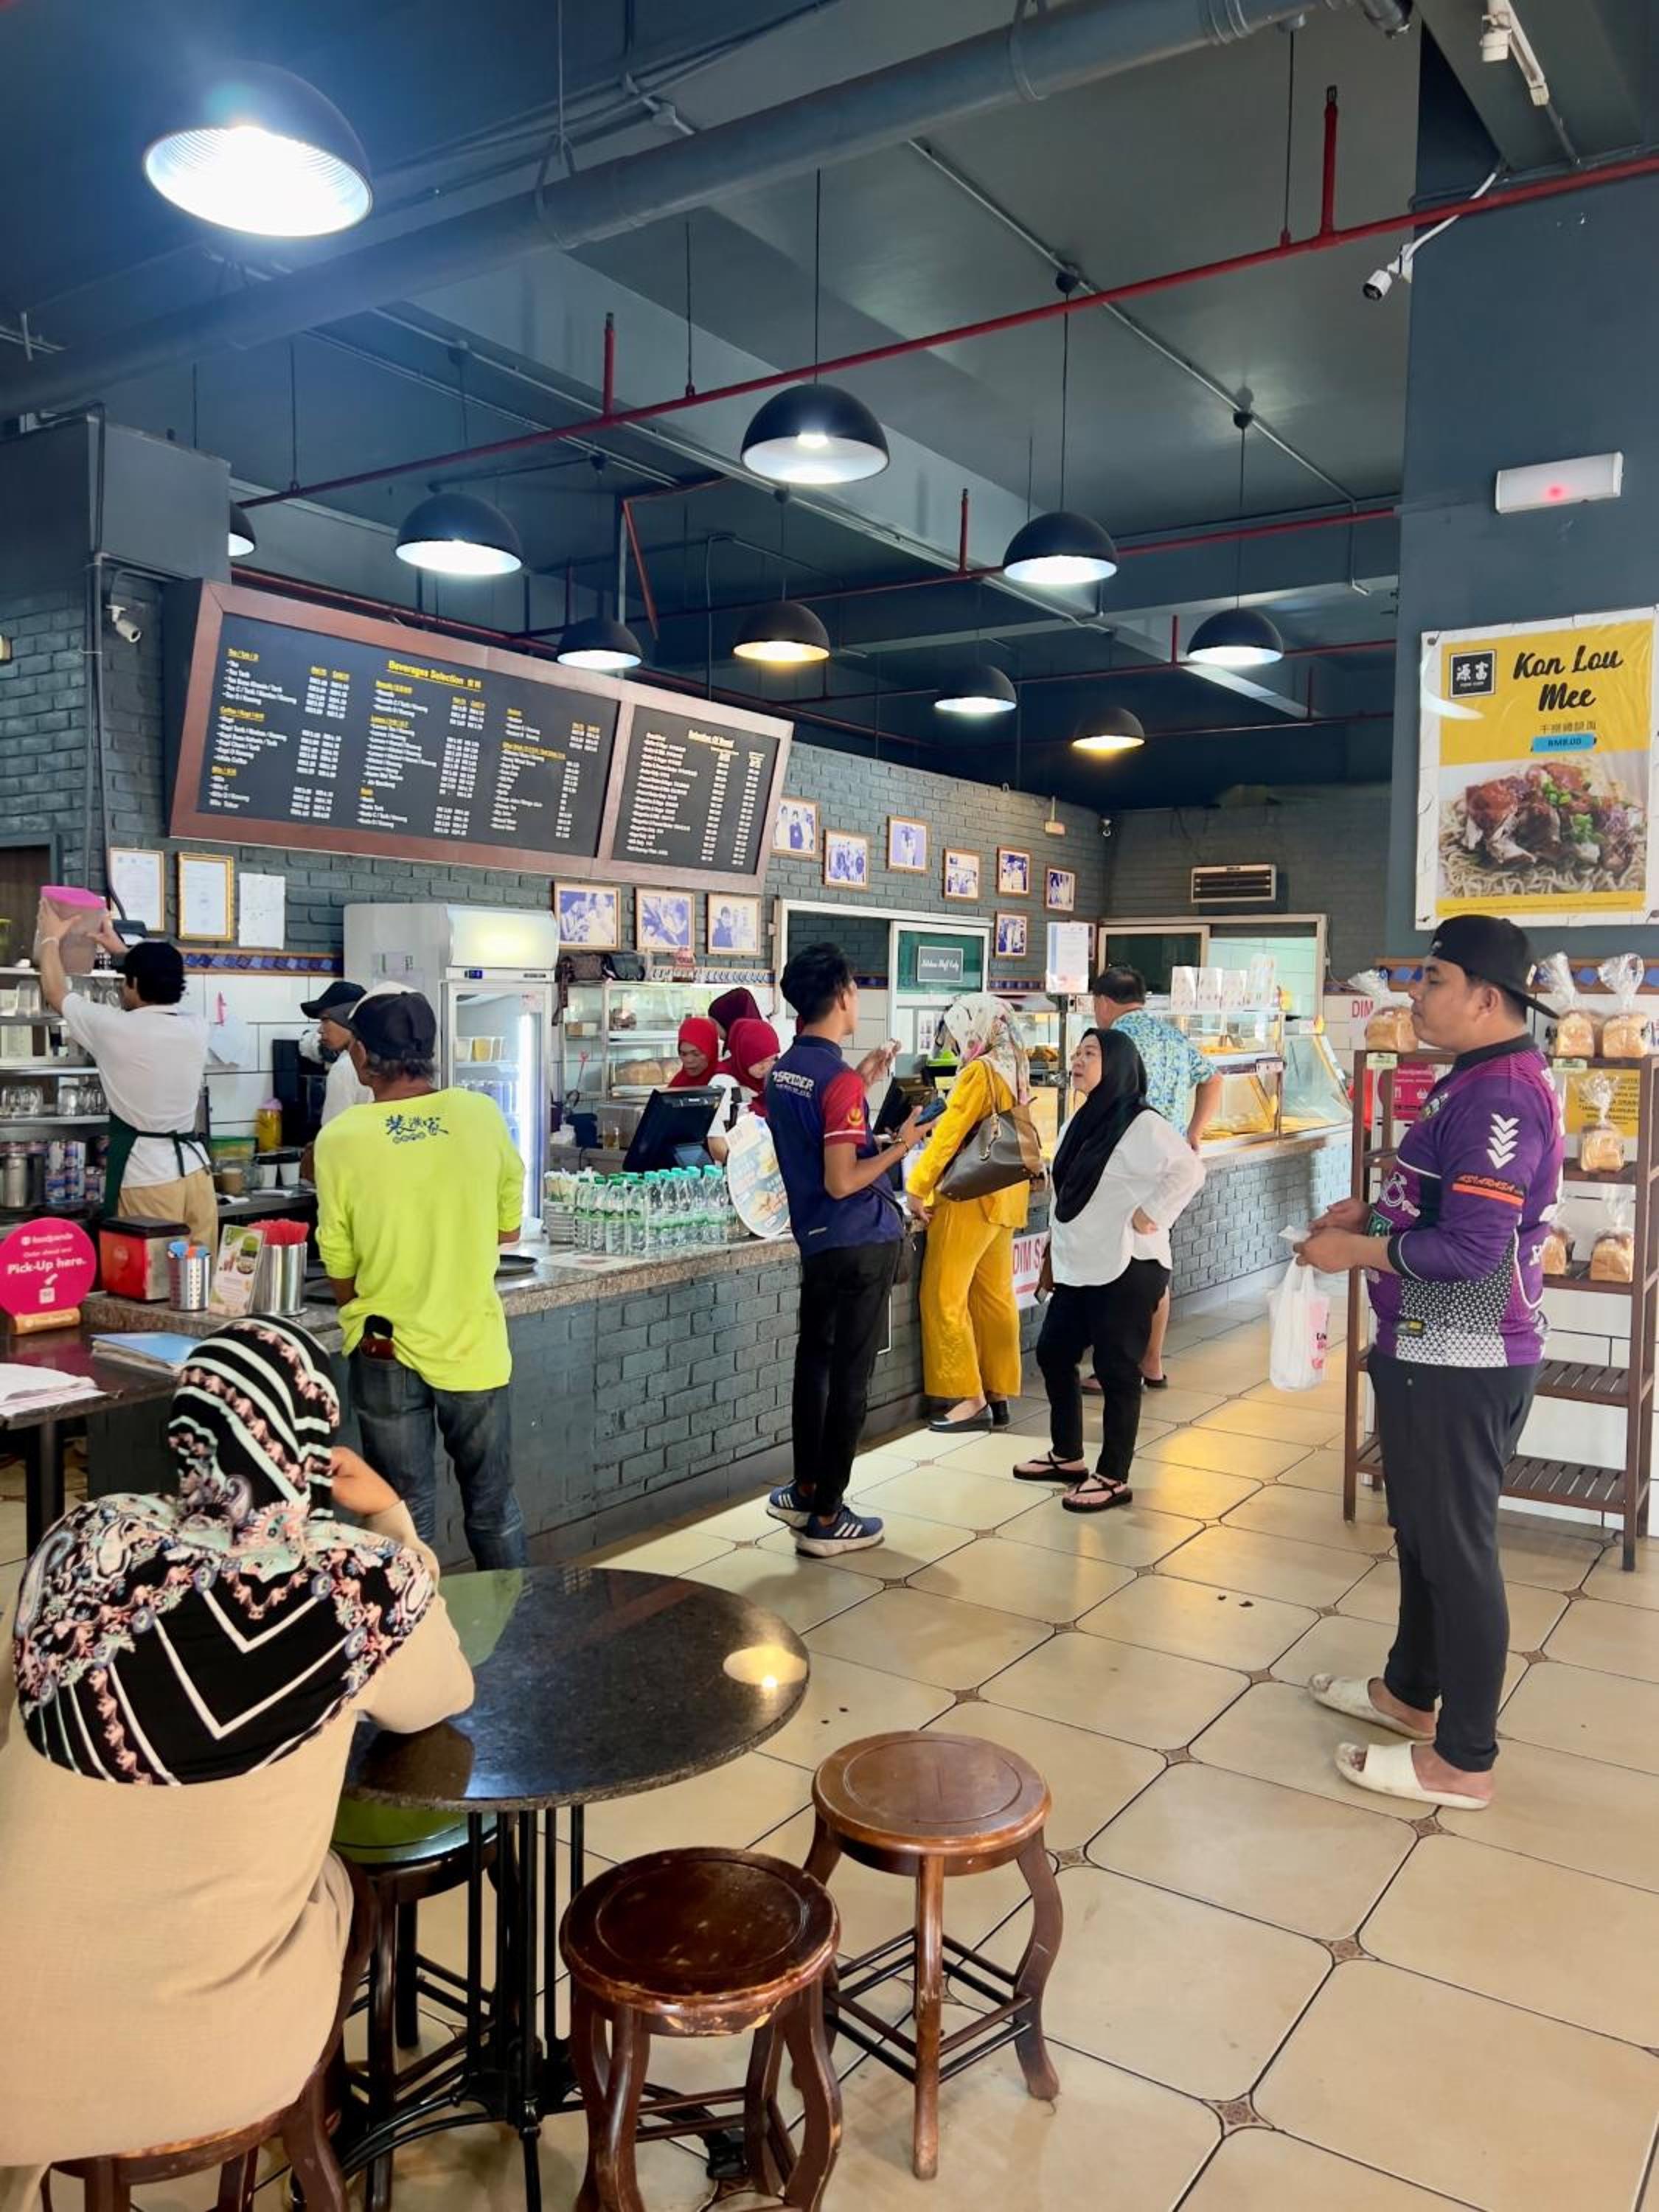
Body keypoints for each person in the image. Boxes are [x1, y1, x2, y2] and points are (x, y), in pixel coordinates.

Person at [0, 1317, 472, 2211]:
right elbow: (443, 1691)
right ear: (312, 1442)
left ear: (185, 1433)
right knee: (338, 1879)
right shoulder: (357, 1581)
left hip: (11, 2058)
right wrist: (390, 1520)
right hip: (217, 2066)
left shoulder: (80, 1544)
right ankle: (327, 2124)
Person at [1295, 915, 1562, 1813]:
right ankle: (1410, 1694)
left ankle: (1464, 1759)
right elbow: (1438, 1210)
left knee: (1456, 1550)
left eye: (1433, 980)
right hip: (1425, 1348)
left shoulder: (1501, 1096)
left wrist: (1357, 1253)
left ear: (1487, 998)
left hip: (1463, 1356)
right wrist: (1370, 1216)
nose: (1415, 995)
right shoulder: (1474, 1077)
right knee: (1421, 1533)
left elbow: (1476, 1252)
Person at [314, 989, 529, 1568]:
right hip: (473, 1343)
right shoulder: (480, 1115)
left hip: (386, 1345)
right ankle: (517, 1619)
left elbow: (338, 1259)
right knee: (494, 1506)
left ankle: (415, 1622)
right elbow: (508, 1229)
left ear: (362, 1054)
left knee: (402, 1514)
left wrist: (364, 1301)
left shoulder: (341, 1138)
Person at [765, 944, 925, 1558]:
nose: (858, 998)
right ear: (839, 996)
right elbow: (842, 1179)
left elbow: (817, 1128)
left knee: (815, 1364)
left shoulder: (785, 1070)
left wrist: (862, 1079)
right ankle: (829, 1516)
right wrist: (902, 1145)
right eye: (856, 989)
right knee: (851, 1377)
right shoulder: (838, 1084)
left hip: (817, 1241)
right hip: (860, 1240)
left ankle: (806, 1488)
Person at [1017, 1028, 1204, 1512]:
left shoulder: (1142, 1124)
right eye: (1077, 1052)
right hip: (1081, 1263)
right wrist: (1055, 1248)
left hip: (1128, 1264)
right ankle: (1068, 1455)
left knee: (1117, 1370)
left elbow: (1189, 1170)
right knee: (1054, 1352)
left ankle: (1113, 1475)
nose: (1078, 1060)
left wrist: (1151, 1214)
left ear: (1116, 1065)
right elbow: (1068, 1192)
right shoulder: (1079, 1121)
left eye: (1090, 1053)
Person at [1090, 966, 1224, 1388]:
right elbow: (1214, 1077)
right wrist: (1193, 1134)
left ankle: (1116, 1366)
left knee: (1117, 1267)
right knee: (1155, 1265)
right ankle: (1151, 1361)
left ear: (1103, 1002)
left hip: (1126, 1164)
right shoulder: (1171, 1034)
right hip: (1168, 1167)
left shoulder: (1113, 1043)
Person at [39, 925, 215, 1248]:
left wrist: (49, 935)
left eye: (125, 980)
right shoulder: (197, 1026)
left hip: (149, 1177)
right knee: (200, 1272)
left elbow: (54, 991)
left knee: (153, 1276)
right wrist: (122, 952)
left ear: (133, 982)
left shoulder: (114, 1026)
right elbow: (152, 974)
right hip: (197, 1174)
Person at [908, 995, 1032, 1434]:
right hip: (1006, 1194)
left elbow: (949, 1134)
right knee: (994, 1297)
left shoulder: (980, 1071)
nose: (958, 1041)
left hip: (970, 1196)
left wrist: (918, 1185)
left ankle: (967, 1397)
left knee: (944, 1294)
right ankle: (998, 1391)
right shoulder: (1015, 1065)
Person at [300, 977, 374, 1127]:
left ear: (348, 1020)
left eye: (325, 1020)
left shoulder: (343, 1069)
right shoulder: (382, 1059)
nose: (320, 1030)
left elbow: (333, 1131)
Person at [706, 1017, 779, 1166]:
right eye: (760, 1061)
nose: (766, 1067)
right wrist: (743, 1168)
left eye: (772, 1059)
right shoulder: (724, 1083)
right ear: (744, 1055)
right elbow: (716, 1144)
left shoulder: (770, 1081)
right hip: (737, 1172)